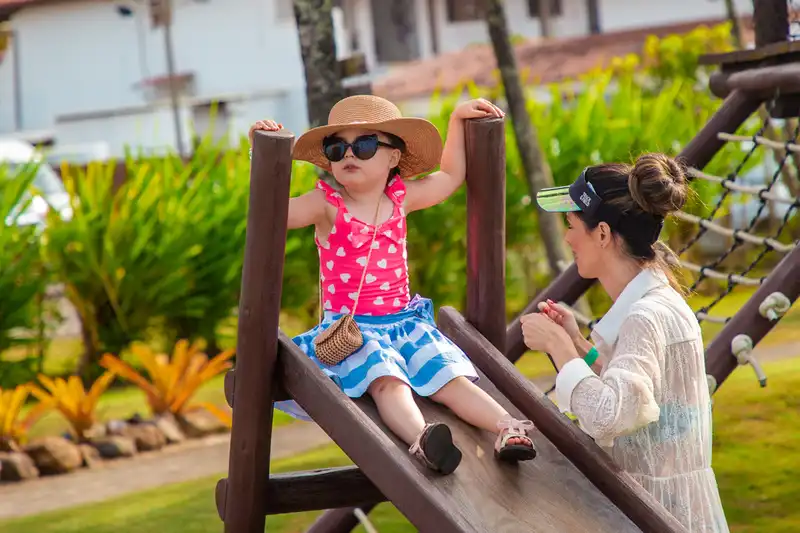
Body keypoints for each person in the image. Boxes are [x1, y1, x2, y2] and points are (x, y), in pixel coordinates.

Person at [248, 94, 536, 475]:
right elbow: (273, 213)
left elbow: (450, 176)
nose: (349, 154)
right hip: (354, 330)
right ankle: (423, 439)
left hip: (405, 323)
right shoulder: (326, 204)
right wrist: (260, 153)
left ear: (393, 158)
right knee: (386, 380)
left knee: (448, 377)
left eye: (364, 145)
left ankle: (507, 429)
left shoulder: (402, 199)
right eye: (337, 148)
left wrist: (456, 121)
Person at [521, 153, 729, 532]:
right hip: (676, 511)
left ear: (601, 233)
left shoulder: (644, 317)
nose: (567, 237)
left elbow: (610, 415)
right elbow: (647, 391)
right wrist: (581, 347)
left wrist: (559, 349)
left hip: (657, 515)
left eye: (571, 224)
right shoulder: (658, 304)